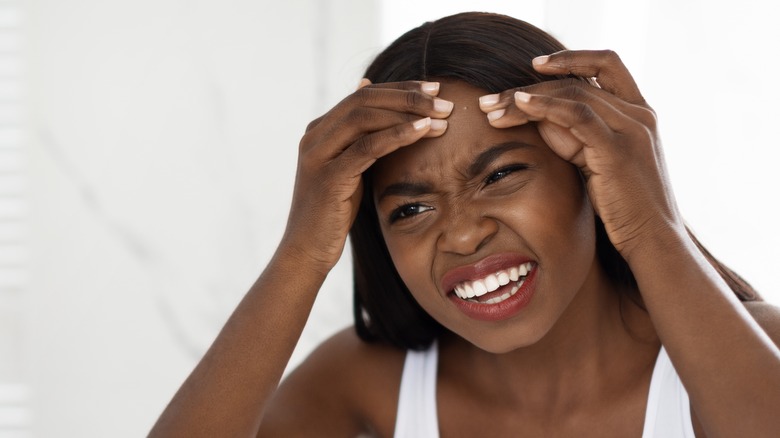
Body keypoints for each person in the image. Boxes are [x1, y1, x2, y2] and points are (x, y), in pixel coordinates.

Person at [149, 12, 780, 437]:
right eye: (410, 209)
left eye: (501, 175)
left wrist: (651, 224)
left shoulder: (747, 351)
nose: (461, 234)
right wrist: (300, 257)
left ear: (590, 171)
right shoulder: (365, 387)